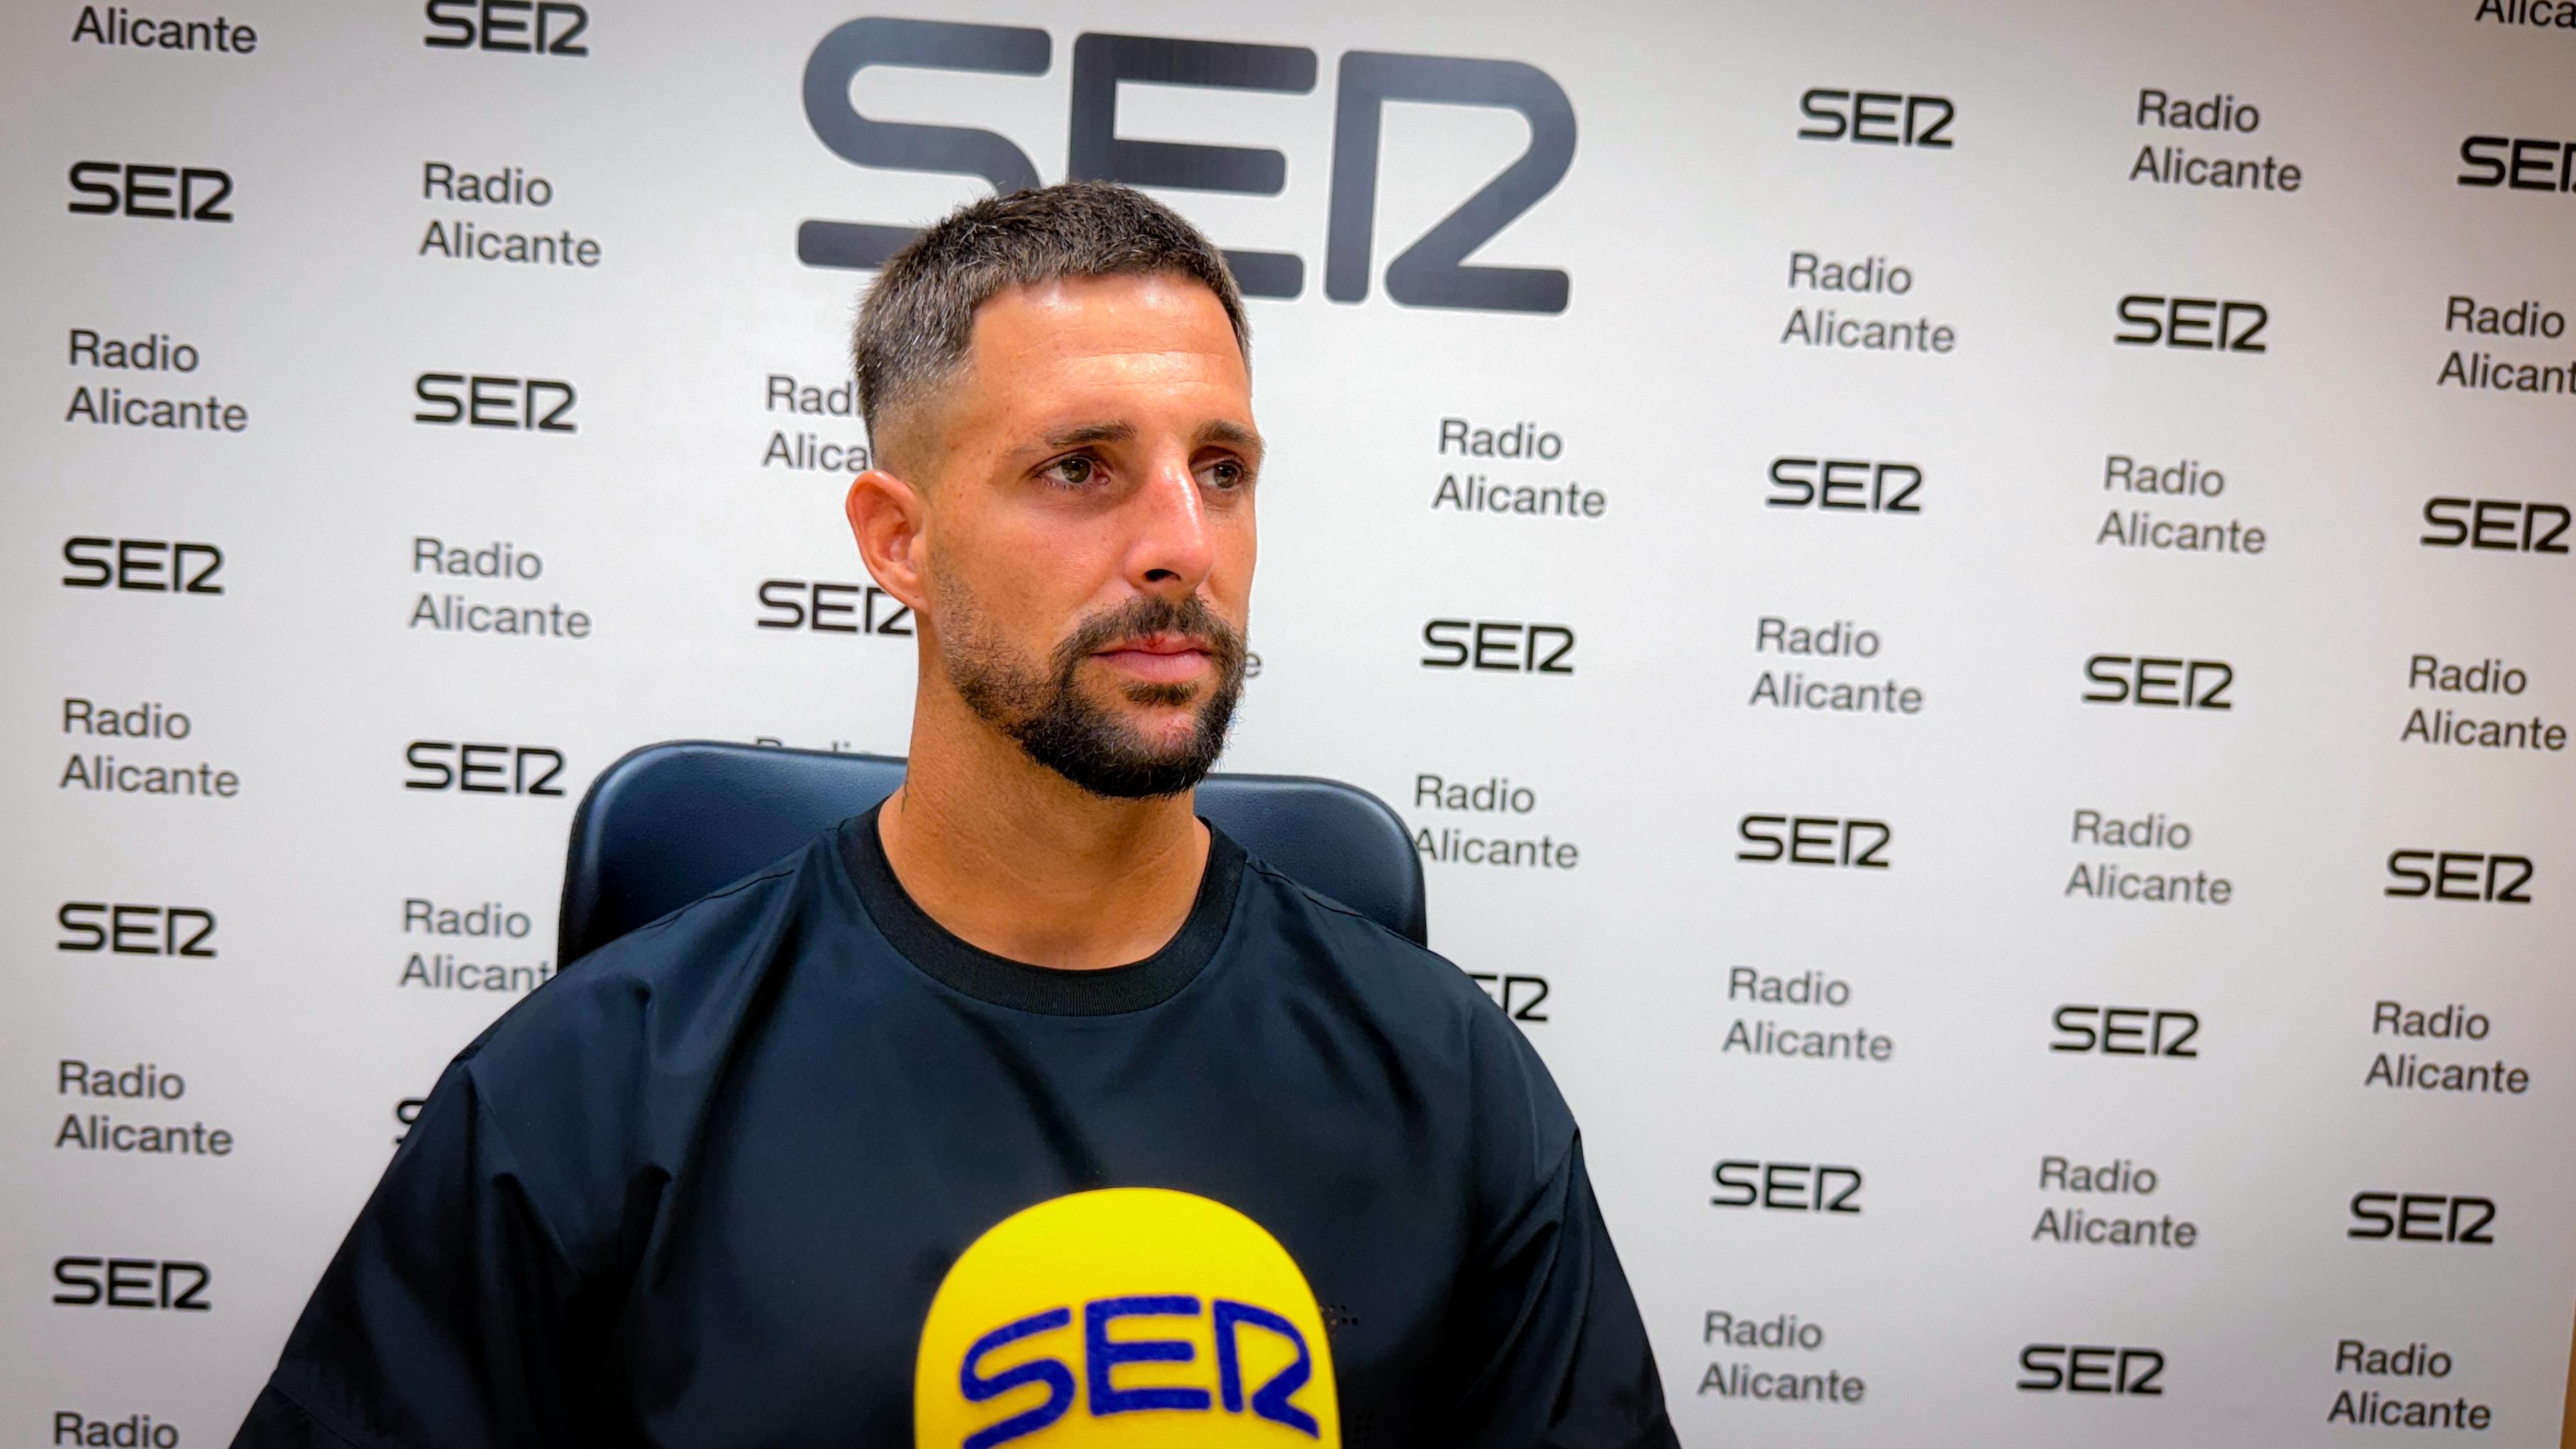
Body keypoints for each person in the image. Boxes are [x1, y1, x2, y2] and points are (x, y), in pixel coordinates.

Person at [233, 181, 1675, 1449]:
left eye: (1221, 470)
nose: (1181, 543)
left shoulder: (1454, 1081)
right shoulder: (590, 1084)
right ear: (898, 541)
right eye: (1080, 466)